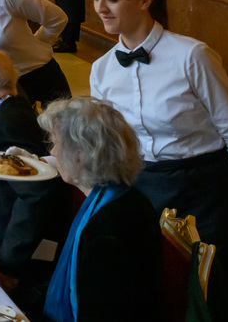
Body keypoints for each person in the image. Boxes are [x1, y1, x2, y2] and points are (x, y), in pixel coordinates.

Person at [89, 0, 228, 283]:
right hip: (142, 189)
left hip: (205, 192)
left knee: (208, 293)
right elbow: (108, 144)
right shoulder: (101, 70)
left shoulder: (192, 56)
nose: (101, 8)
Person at [0, 49, 72, 311]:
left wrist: (7, 266)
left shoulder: (8, 121)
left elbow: (36, 194)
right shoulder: (1, 115)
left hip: (7, 262)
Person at [38, 98, 164, 322]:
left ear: (80, 155)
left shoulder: (108, 231)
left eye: (56, 143)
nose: (53, 151)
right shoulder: (121, 198)